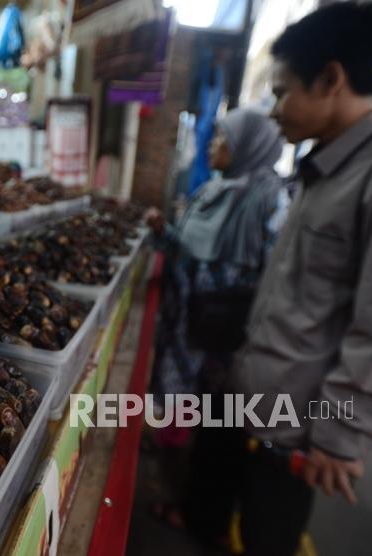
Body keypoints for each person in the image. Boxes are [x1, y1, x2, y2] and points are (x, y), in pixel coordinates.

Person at [185, 3, 372, 556]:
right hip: (258, 393)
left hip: (302, 422)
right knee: (227, 512)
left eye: (281, 91)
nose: (273, 111)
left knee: (272, 529)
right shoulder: (322, 169)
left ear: (331, 79)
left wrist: (341, 440)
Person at [144, 107, 288, 526]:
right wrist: (163, 233)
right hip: (186, 321)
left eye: (221, 138)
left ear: (245, 147)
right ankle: (179, 477)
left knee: (218, 421)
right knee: (184, 404)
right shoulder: (213, 189)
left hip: (225, 333)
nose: (212, 144)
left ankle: (199, 511)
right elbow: (189, 253)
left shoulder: (267, 197)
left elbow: (274, 272)